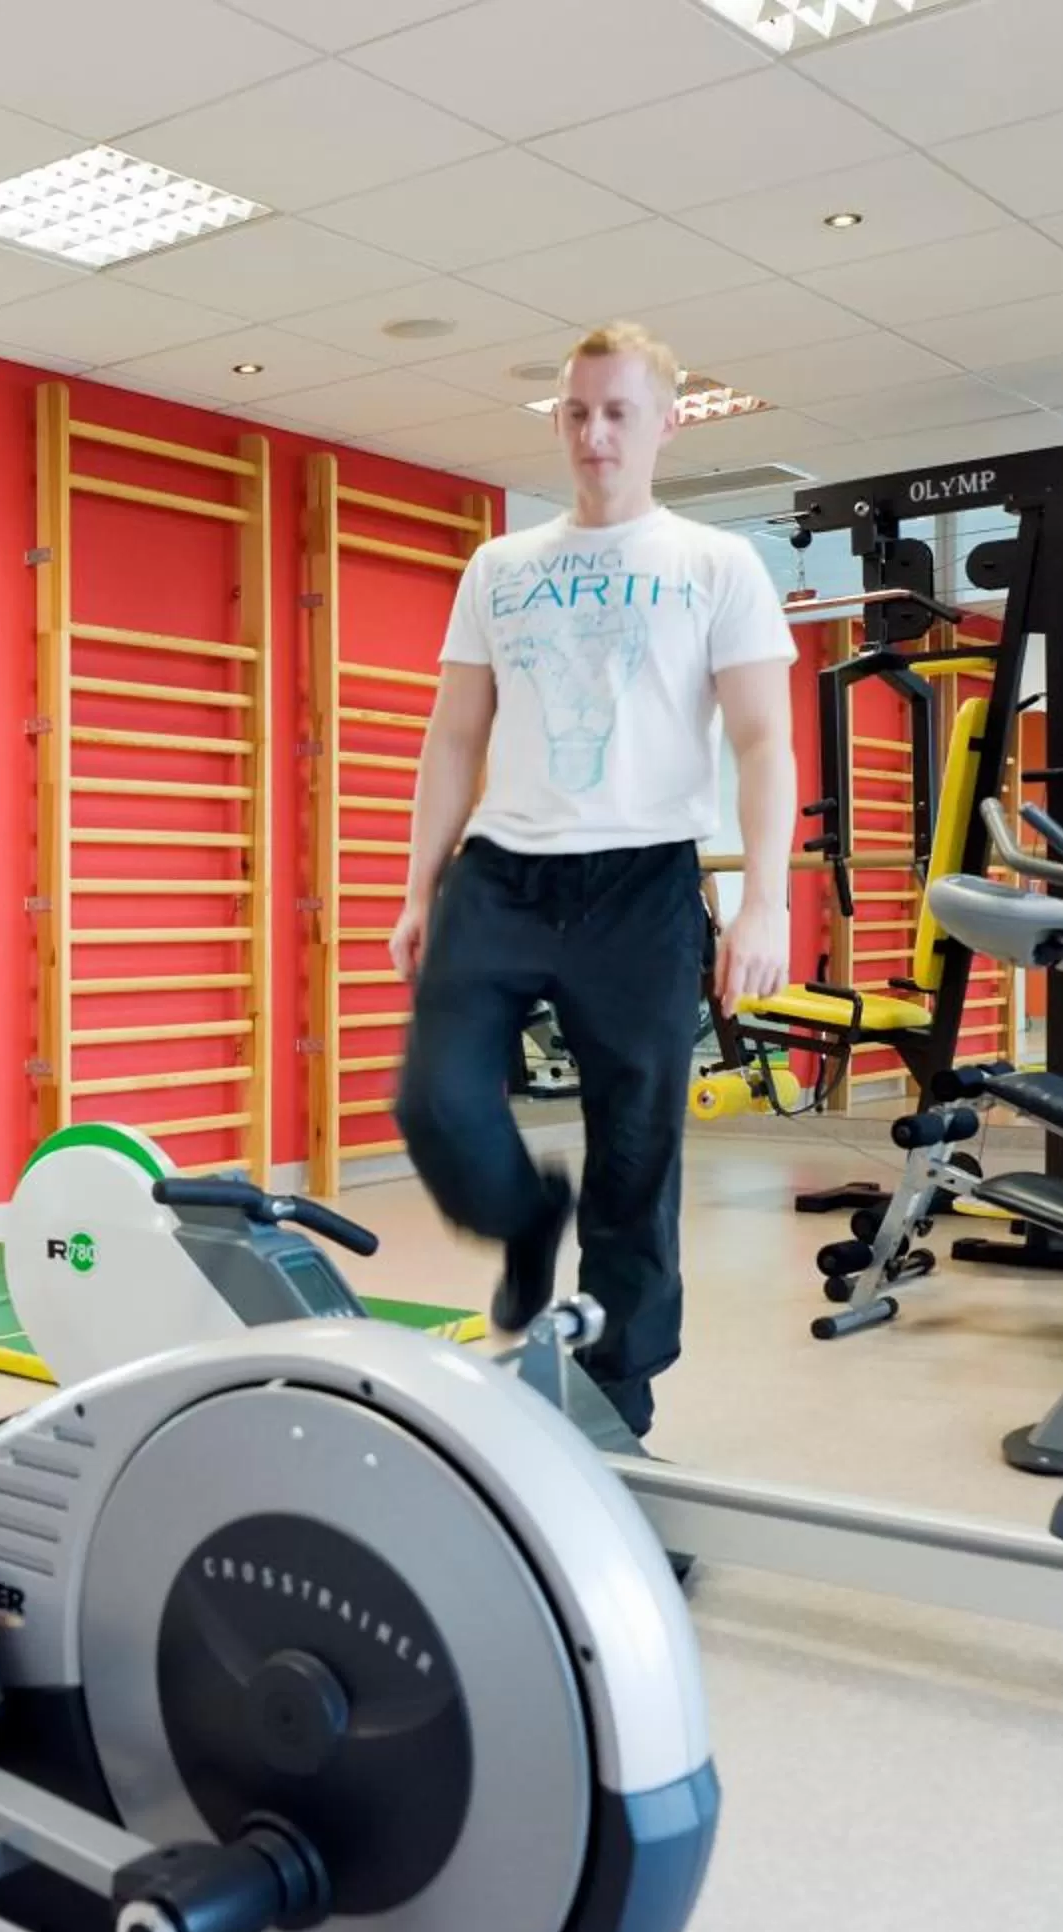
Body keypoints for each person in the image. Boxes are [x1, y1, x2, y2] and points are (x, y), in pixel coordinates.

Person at [390, 322, 797, 1435]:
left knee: (635, 1151)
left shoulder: (717, 563)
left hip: (642, 885)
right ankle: (526, 1222)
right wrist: (420, 886)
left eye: (618, 411)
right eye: (576, 411)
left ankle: (619, 1402)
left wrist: (765, 898)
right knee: (436, 1101)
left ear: (665, 421)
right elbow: (453, 736)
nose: (593, 433)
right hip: (503, 873)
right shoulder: (499, 566)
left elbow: (764, 739)